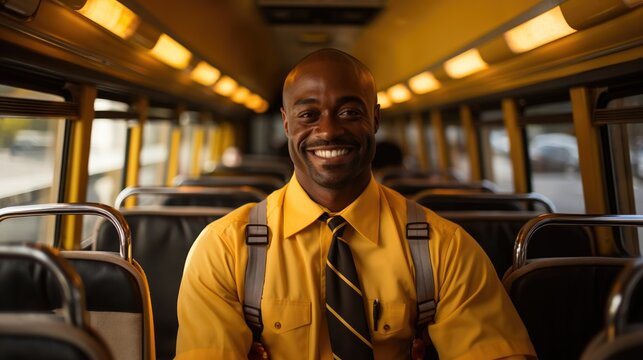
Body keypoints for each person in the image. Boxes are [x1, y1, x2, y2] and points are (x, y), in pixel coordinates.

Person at [175, 48, 536, 359]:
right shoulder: (222, 248)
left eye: (349, 112)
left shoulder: (445, 248)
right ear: (286, 124)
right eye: (308, 115)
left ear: (375, 118)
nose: (329, 130)